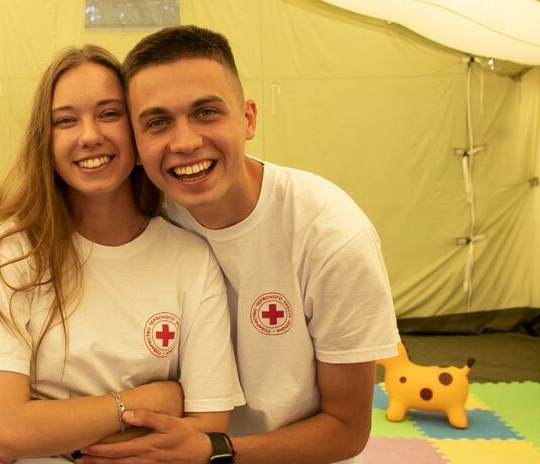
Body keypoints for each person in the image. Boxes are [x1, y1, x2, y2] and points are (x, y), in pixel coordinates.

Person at [71, 26, 401, 464]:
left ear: (247, 118)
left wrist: (213, 451)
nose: (185, 143)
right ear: (134, 143)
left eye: (206, 112)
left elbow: (347, 429)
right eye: (157, 122)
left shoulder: (332, 236)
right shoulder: (137, 217)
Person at [0, 44, 245, 464]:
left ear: (139, 132)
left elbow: (206, 427)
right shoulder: (9, 252)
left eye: (109, 113)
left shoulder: (190, 258)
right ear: (45, 140)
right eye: (65, 120)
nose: (89, 136)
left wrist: (50, 430)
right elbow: (10, 432)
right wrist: (155, 398)